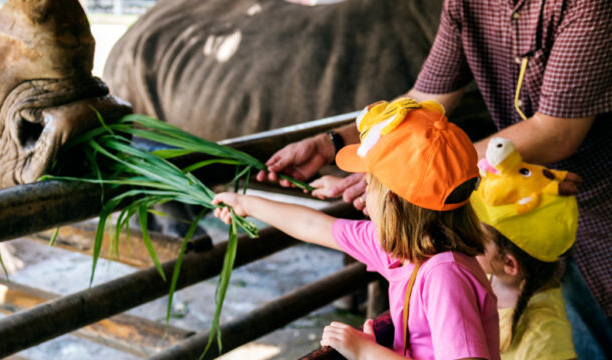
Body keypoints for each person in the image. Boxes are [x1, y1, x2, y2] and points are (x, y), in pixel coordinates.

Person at [256, 1, 612, 356]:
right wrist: (334, 142)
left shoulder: (586, 5)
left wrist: (409, 169)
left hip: (596, 203)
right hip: (515, 207)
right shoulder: (465, 3)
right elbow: (424, 98)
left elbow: (557, 130)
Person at [215, 99, 499, 360]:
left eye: (368, 184)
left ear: (393, 202)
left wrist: (365, 352)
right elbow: (313, 225)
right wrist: (245, 204)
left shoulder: (444, 275)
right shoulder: (398, 250)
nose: (364, 191)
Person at [471, 137, 579, 360]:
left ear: (509, 264)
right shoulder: (490, 277)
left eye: (476, 234)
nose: (465, 237)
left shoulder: (543, 337)